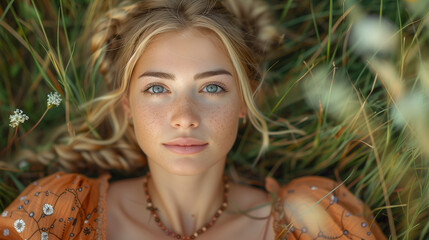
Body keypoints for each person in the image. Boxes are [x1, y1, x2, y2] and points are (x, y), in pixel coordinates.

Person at [0, 0, 386, 239]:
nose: (184, 117)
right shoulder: (61, 215)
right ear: (126, 106)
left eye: (212, 88)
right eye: (156, 88)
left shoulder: (313, 221)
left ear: (244, 102)